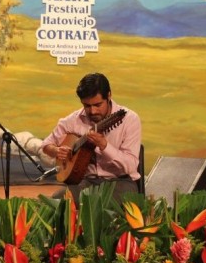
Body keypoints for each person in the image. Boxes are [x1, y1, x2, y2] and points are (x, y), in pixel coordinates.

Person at [41, 72, 142, 204]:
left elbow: (130, 166)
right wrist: (57, 151)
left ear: (109, 96)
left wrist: (104, 146)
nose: (93, 111)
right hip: (86, 183)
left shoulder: (129, 119)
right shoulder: (72, 120)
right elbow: (46, 145)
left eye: (98, 105)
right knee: (53, 203)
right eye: (87, 106)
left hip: (121, 182)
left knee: (96, 205)